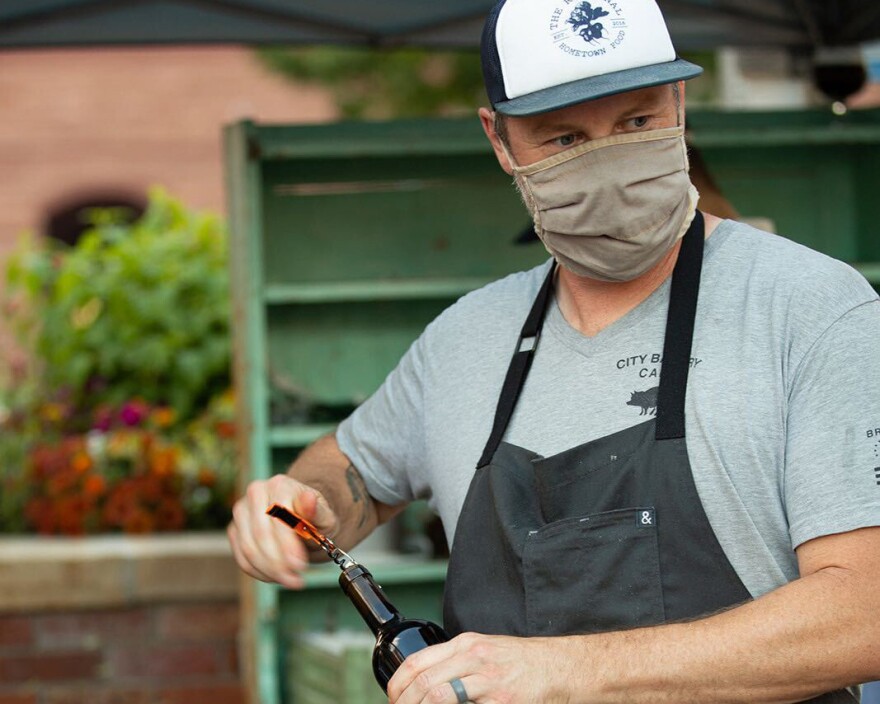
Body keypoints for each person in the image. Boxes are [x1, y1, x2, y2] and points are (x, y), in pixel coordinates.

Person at [228, 0, 880, 701]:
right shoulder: (467, 338)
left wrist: (570, 672)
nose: (607, 165)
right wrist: (307, 506)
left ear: (681, 103)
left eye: (636, 122)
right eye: (564, 139)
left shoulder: (812, 310)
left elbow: (865, 614)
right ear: (500, 140)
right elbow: (350, 471)